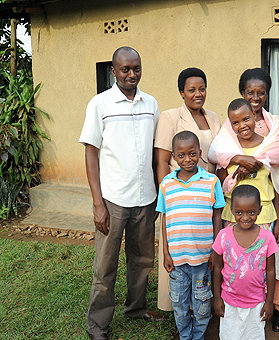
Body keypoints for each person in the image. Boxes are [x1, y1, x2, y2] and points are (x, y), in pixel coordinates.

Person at [79, 46, 164, 340]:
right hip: (113, 200)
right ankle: (98, 325)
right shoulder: (100, 104)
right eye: (125, 69)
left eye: (136, 68)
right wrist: (97, 202)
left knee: (142, 261)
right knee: (105, 266)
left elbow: (157, 152)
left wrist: (157, 194)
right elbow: (91, 153)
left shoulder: (151, 104)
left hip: (146, 198)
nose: (131, 74)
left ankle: (136, 309)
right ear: (113, 71)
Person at [208, 98, 279, 332]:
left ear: (255, 119)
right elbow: (222, 175)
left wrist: (277, 221)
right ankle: (232, 307)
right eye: (235, 122)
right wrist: (238, 163)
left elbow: (277, 185)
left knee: (259, 266)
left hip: (265, 216)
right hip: (233, 215)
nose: (242, 125)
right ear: (230, 125)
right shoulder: (229, 146)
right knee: (233, 263)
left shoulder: (269, 145)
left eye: (246, 119)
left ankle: (261, 308)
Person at [154, 67, 221, 311]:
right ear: (181, 92)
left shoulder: (213, 117)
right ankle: (177, 305)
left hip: (207, 192)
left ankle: (203, 304)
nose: (197, 94)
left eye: (201, 88)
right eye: (191, 89)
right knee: (179, 246)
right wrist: (167, 194)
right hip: (178, 194)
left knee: (204, 247)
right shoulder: (170, 117)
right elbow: (162, 160)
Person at [239, 67, 279, 331]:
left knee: (278, 254)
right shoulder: (234, 124)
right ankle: (246, 306)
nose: (255, 97)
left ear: (267, 94)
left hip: (273, 200)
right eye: (250, 92)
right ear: (242, 92)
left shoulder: (274, 124)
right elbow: (222, 154)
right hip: (242, 208)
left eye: (261, 92)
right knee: (246, 259)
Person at [156, 131, 225, 340]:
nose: (188, 159)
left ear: (200, 153)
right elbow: (164, 220)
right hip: (177, 260)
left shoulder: (211, 182)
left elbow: (218, 216)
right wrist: (166, 253)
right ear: (174, 157)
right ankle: (185, 336)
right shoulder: (166, 185)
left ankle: (198, 335)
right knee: (179, 303)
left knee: (202, 303)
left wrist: (215, 250)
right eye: (182, 155)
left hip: (203, 259)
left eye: (193, 154)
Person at [213, 184, 279, 340]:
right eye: (239, 212)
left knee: (253, 335)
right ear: (231, 210)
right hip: (229, 300)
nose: (245, 217)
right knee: (229, 335)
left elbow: (270, 271)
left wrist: (269, 302)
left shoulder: (267, 238)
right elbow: (217, 268)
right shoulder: (223, 236)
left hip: (256, 302)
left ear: (260, 210)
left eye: (251, 212)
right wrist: (217, 298)